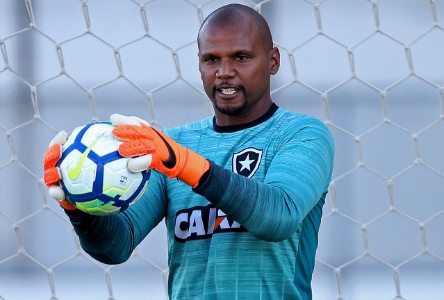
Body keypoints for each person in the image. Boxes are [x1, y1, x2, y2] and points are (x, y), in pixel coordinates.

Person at [43, 3, 334, 300]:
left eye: (241, 57)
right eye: (211, 59)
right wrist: (77, 202)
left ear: (273, 61)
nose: (224, 72)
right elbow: (116, 246)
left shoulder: (302, 134)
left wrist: (183, 163)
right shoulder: (173, 144)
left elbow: (278, 217)